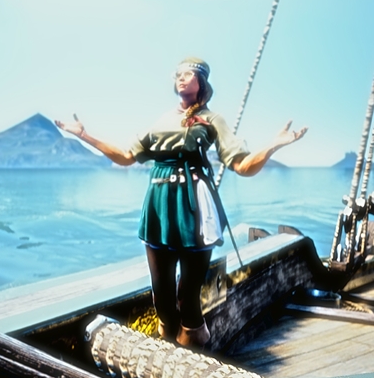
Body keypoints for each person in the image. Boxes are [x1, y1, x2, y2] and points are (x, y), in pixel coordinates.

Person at [55, 57, 307, 349]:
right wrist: (84, 136)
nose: (181, 78)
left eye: (189, 74)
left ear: (202, 82)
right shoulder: (162, 120)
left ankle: (194, 350)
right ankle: (169, 350)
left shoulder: (213, 119)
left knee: (188, 298)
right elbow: (125, 156)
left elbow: (242, 165)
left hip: (194, 207)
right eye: (178, 74)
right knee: (161, 295)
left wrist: (273, 145)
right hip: (158, 204)